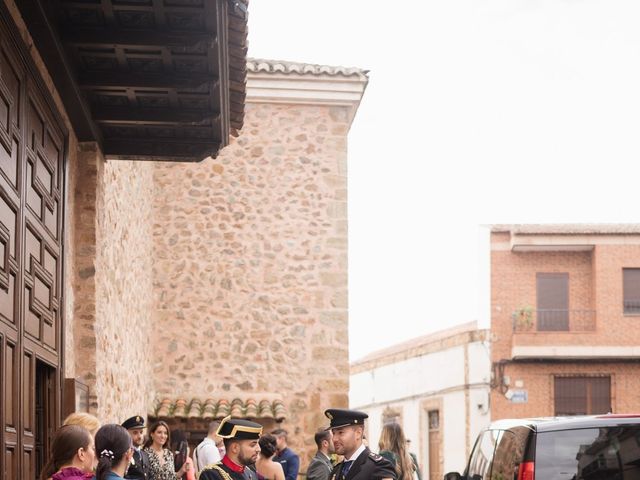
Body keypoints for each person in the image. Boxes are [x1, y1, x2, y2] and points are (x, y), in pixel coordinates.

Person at [325, 408, 396, 480]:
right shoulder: (336, 471)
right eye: (333, 433)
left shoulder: (379, 467)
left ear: (358, 433)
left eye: (341, 432)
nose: (334, 439)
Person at [198, 415, 261, 480]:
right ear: (235, 448)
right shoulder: (211, 475)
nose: (258, 449)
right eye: (253, 445)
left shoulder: (251, 472)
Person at [122, 415, 150, 480]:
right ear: (126, 434)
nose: (140, 436)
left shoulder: (144, 454)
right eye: (135, 433)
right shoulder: (124, 454)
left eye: (141, 432)